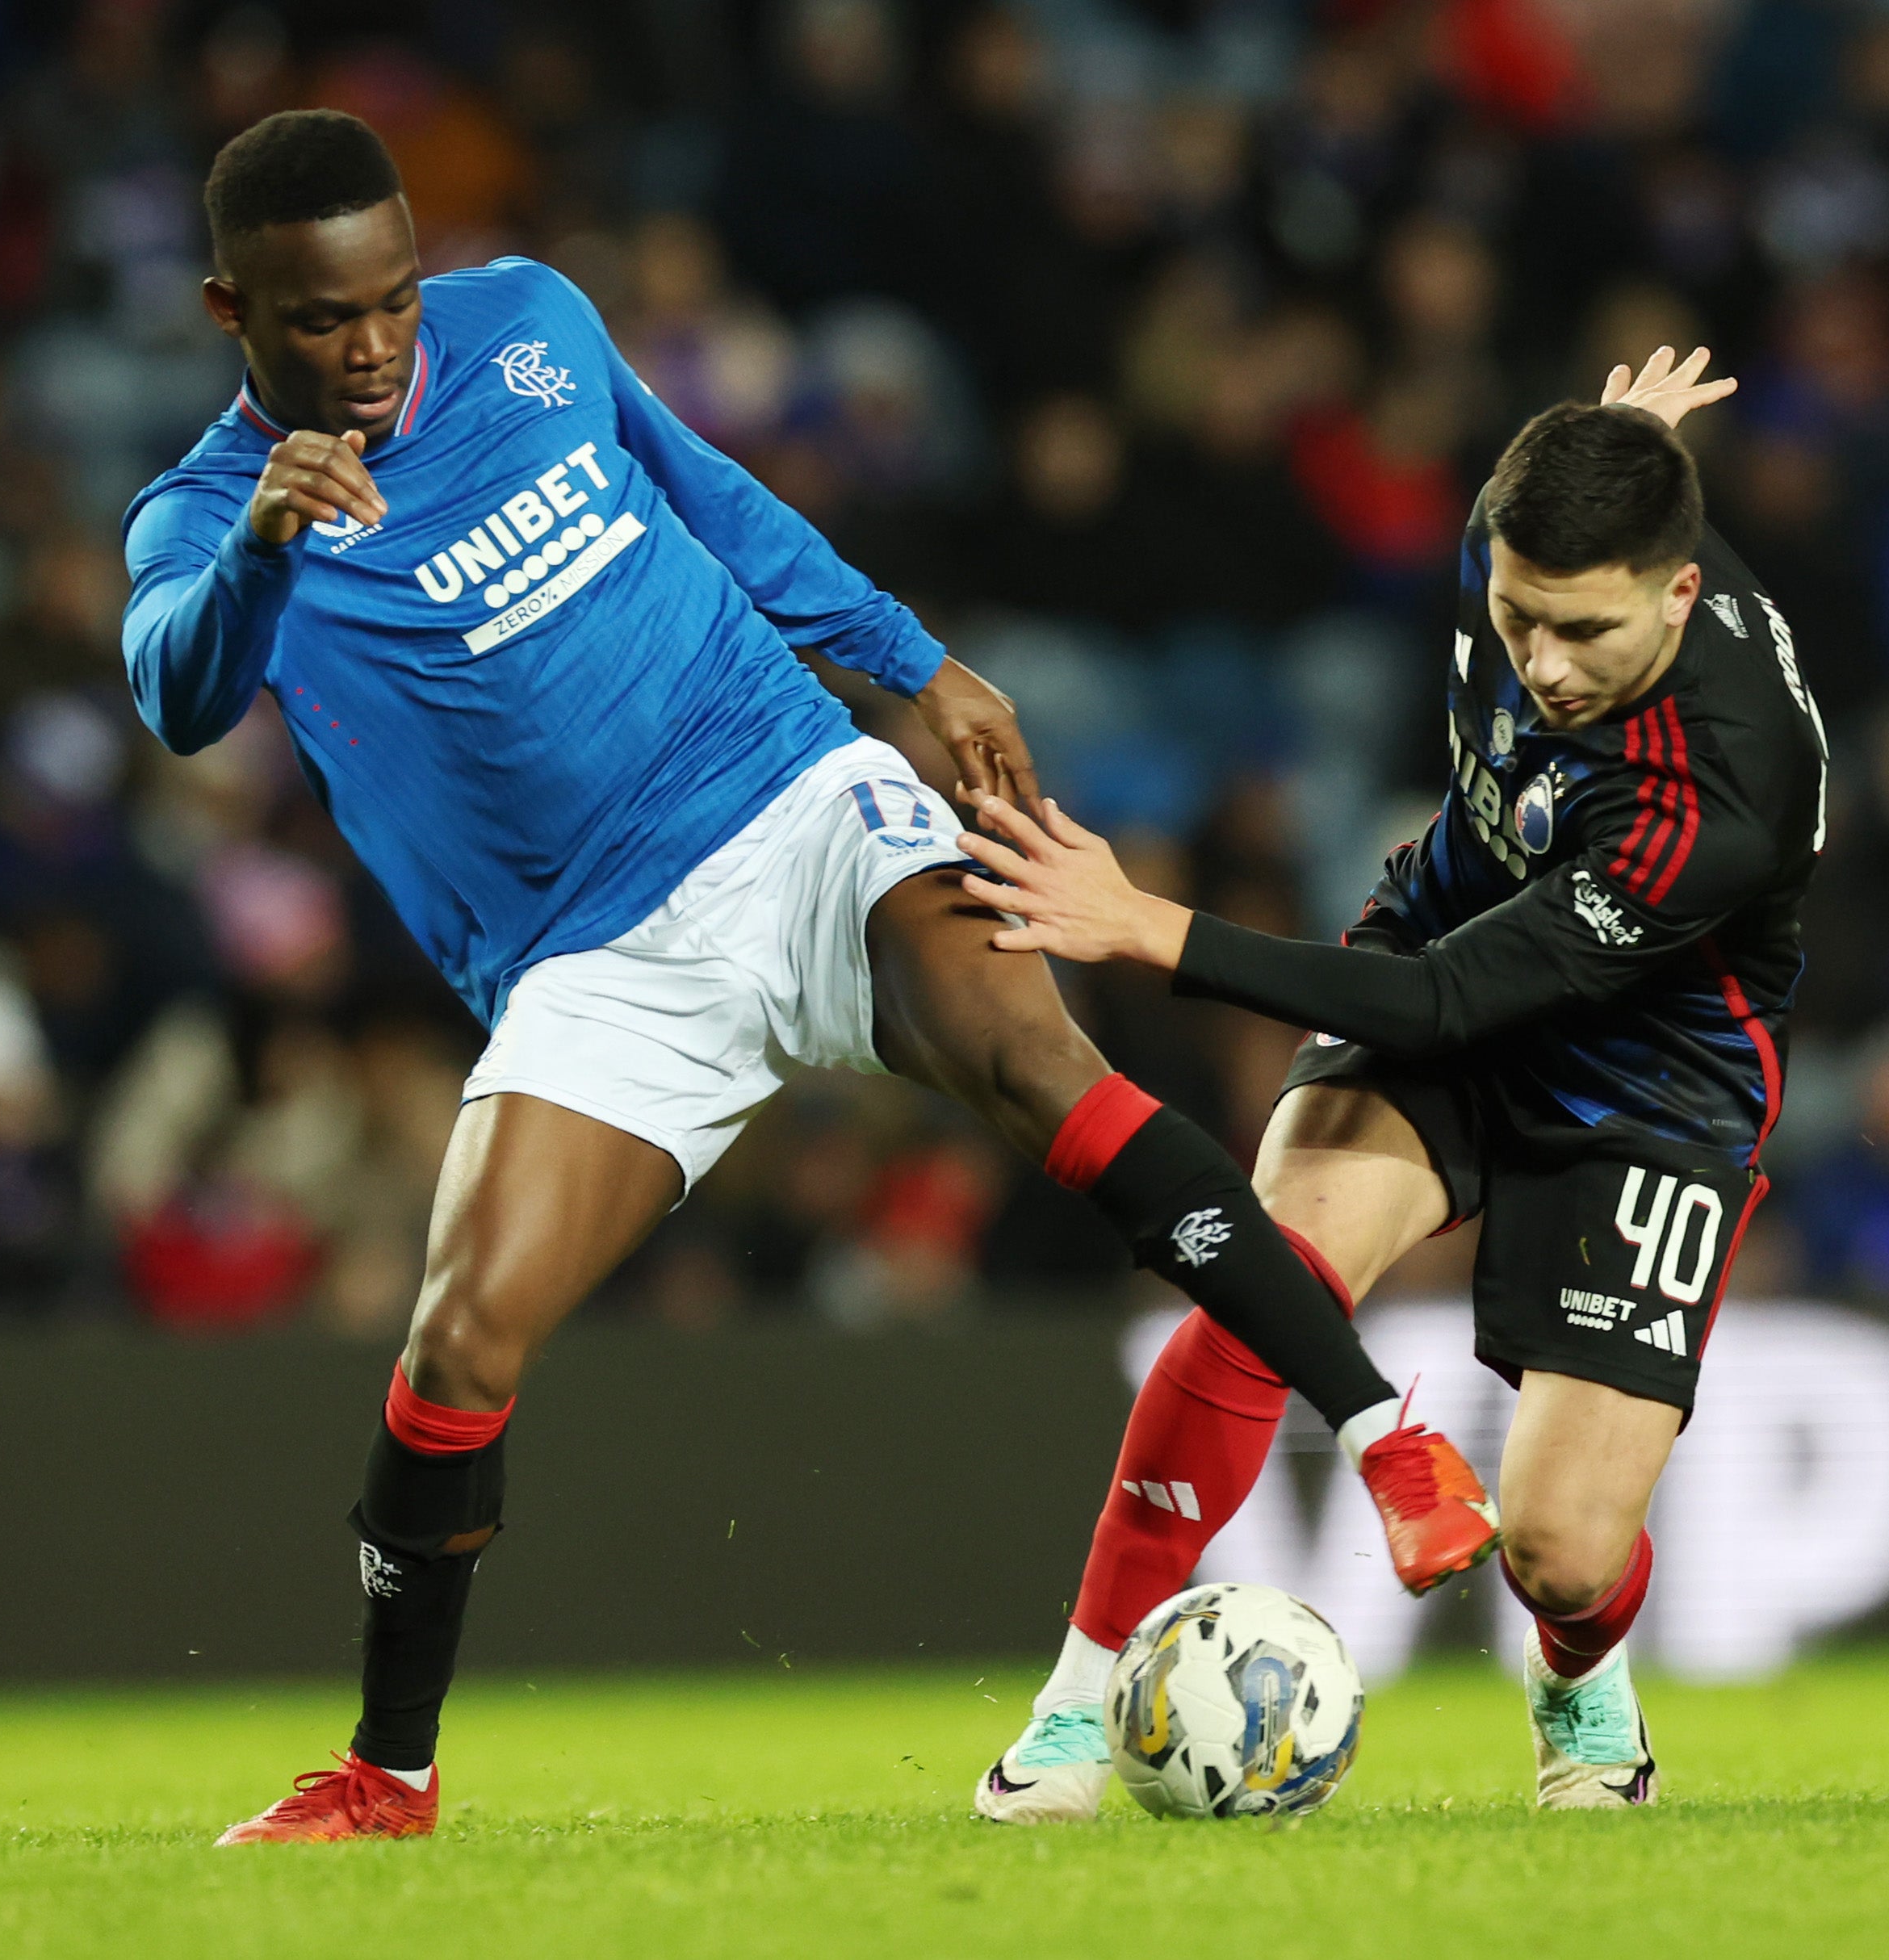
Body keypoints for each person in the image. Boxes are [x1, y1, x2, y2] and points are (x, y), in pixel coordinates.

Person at [120, 111, 1495, 1845]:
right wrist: (258, 542)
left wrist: (910, 664)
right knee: (460, 1337)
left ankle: (1386, 1435)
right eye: (324, 319)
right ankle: (388, 1775)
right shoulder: (198, 516)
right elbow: (176, 690)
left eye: (394, 296)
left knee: (1035, 1062)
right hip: (598, 956)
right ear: (229, 307)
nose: (379, 344)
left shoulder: (532, 321)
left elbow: (712, 498)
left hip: (786, 796)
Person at [962, 352, 1825, 1816]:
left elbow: (1448, 1004)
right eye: (1514, 616)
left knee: (1560, 1549)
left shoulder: (1726, 788)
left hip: (1653, 1082)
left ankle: (1579, 1681)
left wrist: (1152, 928)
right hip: (1447, 939)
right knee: (1263, 1279)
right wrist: (1632, 435)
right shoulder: (1548, 539)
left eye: (1583, 631)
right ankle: (1066, 1708)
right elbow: (1436, 979)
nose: (1541, 662)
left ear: (1679, 597)